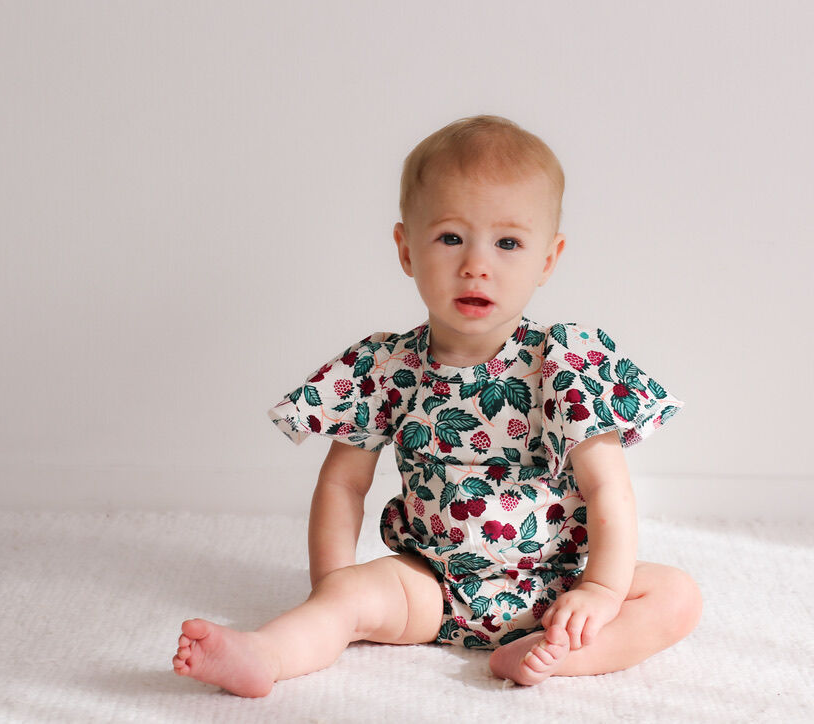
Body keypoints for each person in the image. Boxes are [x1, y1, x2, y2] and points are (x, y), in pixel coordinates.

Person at [172, 115, 702, 697]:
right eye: (451, 237)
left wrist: (599, 592)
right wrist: (334, 588)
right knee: (349, 599)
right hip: (428, 583)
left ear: (548, 260)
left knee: (676, 597)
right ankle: (266, 652)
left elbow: (608, 491)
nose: (477, 264)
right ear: (406, 248)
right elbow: (343, 486)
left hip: (559, 584)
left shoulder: (564, 361)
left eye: (508, 243)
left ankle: (555, 654)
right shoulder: (385, 367)